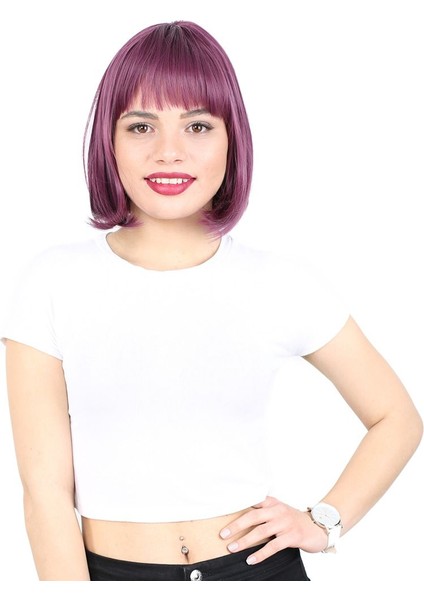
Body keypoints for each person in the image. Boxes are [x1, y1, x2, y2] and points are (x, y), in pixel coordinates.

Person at [2, 20, 422, 582]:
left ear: (231, 140)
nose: (169, 152)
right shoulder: (51, 282)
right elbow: (45, 496)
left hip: (260, 572)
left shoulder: (280, 283)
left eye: (198, 126)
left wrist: (323, 523)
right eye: (141, 126)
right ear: (109, 141)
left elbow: (397, 418)